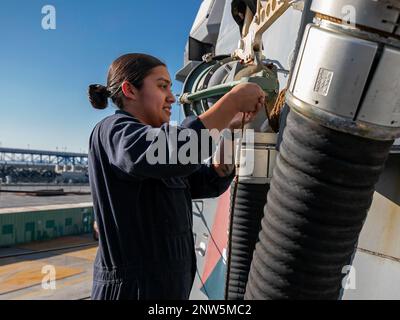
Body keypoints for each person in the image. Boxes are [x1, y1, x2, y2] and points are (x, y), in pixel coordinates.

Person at [87, 53, 265, 300]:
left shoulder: (158, 152)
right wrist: (231, 103)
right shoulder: (112, 131)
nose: (172, 97)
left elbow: (210, 179)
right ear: (129, 90)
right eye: (162, 87)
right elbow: (177, 151)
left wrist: (232, 130)